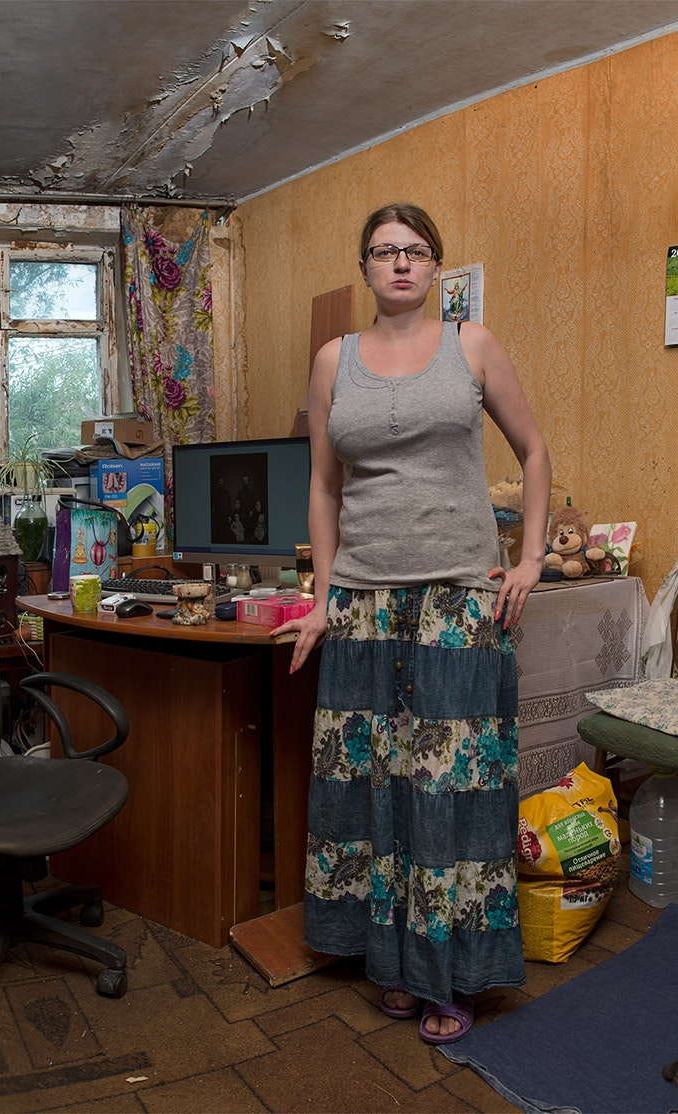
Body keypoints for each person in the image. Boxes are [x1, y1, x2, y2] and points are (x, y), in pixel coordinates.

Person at [273, 202, 550, 1045]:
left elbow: (534, 451)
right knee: (371, 789)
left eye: (416, 251)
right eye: (385, 251)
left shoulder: (474, 345)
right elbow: (324, 487)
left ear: (436, 267)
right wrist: (322, 598)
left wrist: (531, 558)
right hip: (364, 604)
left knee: (450, 791)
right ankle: (393, 964)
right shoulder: (333, 361)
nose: (400, 263)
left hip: (456, 602)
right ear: (365, 267)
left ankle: (452, 976)